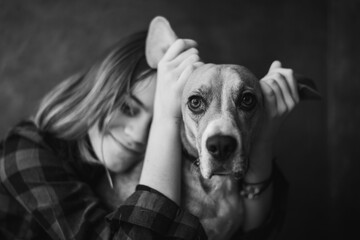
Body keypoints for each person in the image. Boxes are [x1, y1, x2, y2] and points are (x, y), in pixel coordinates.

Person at [0, 27, 299, 239]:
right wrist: (166, 120)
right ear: (100, 89)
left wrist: (262, 139)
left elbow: (254, 231)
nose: (138, 135)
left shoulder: (154, 164)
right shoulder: (24, 152)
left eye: (155, 121)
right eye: (128, 108)